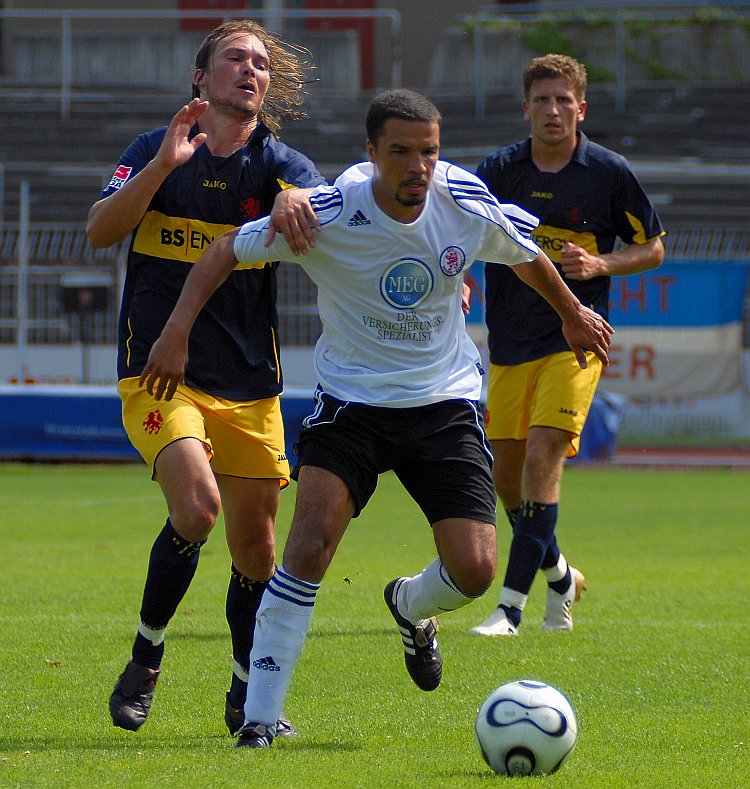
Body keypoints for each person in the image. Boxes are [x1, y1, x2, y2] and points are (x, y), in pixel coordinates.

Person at [138, 89, 613, 748]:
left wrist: (572, 312)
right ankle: (259, 720)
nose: (418, 167)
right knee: (307, 547)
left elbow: (524, 251)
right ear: (370, 152)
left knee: (476, 570)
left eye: (429, 152)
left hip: (442, 405)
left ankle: (409, 604)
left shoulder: (462, 202)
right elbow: (223, 250)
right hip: (351, 405)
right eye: (401, 152)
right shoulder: (329, 213)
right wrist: (176, 331)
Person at [85, 19, 325, 735]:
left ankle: (247, 692)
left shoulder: (282, 163)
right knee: (196, 509)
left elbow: (339, 221)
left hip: (249, 384)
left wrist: (295, 201)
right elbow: (99, 230)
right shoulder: (153, 151)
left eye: (261, 63)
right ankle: (146, 655)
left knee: (257, 551)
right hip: (160, 374)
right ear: (201, 76)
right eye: (234, 58)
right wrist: (162, 166)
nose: (251, 70)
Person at [469, 54, 665, 638]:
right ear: (525, 107)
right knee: (507, 480)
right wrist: (458, 278)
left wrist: (602, 263)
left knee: (541, 461)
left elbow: (653, 247)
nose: (552, 110)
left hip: (576, 340)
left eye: (563, 100)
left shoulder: (607, 172)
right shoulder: (497, 171)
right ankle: (560, 577)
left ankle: (510, 608)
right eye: (542, 100)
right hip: (510, 341)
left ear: (581, 108)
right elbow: (459, 229)